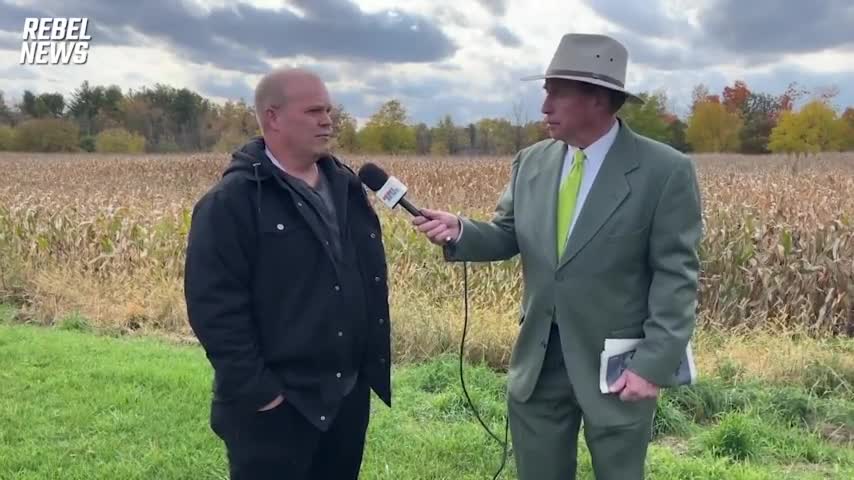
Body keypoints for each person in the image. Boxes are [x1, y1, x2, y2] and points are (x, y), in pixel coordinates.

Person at [413, 33, 702, 479]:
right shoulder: (532, 162)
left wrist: (653, 365)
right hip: (538, 359)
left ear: (599, 100)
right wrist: (461, 231)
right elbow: (509, 233)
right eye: (546, 90)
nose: (544, 105)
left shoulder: (664, 171)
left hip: (618, 365)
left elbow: (676, 275)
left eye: (557, 92)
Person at [183, 67, 391, 480]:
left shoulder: (347, 187)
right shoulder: (233, 202)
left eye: (328, 110)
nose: (328, 120)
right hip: (277, 408)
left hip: (345, 397)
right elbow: (214, 307)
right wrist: (262, 394)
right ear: (273, 117)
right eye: (314, 110)